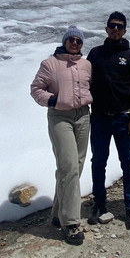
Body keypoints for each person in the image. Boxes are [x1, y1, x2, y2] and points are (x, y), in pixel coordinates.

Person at [30, 26, 92, 245]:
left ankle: (58, 212)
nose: (75, 43)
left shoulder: (86, 65)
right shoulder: (50, 64)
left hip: (83, 116)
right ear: (65, 41)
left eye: (79, 40)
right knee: (69, 167)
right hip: (59, 118)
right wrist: (53, 100)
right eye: (71, 39)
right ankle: (71, 223)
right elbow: (36, 89)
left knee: (77, 164)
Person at [87, 12, 130, 230]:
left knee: (128, 163)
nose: (116, 29)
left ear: (125, 30)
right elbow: (84, 81)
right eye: (112, 26)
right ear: (106, 28)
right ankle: (99, 204)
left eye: (120, 26)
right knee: (98, 161)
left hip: (124, 118)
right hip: (99, 118)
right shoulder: (95, 54)